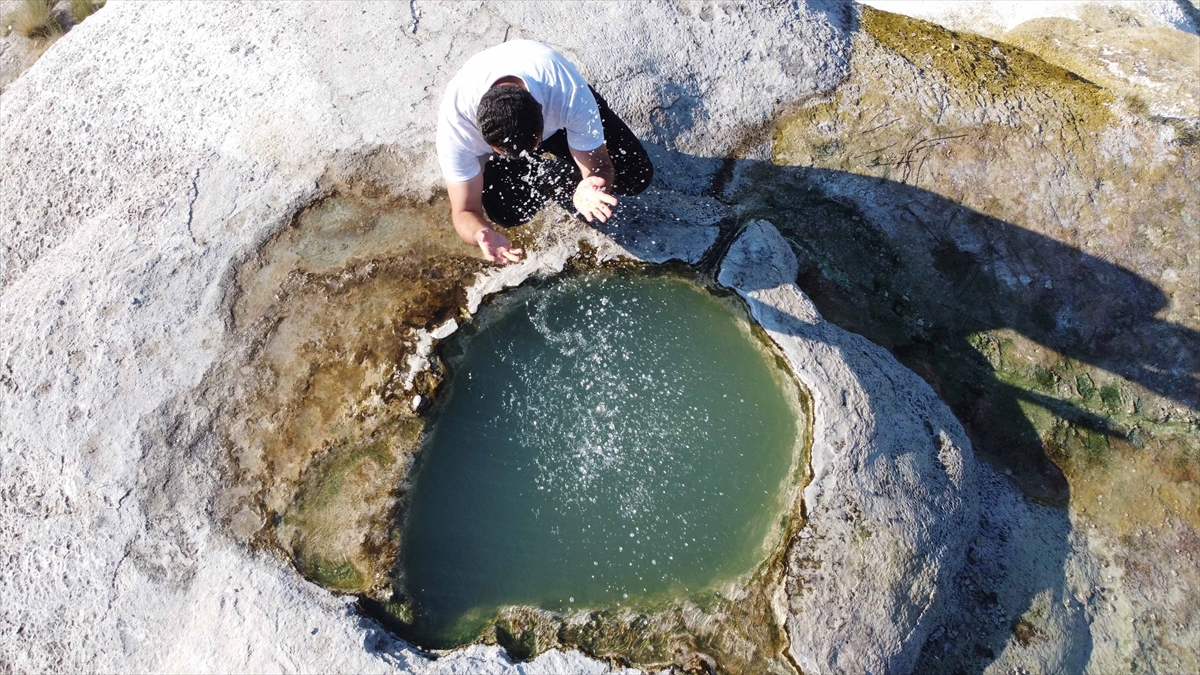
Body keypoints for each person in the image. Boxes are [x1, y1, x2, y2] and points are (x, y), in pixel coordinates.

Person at [436, 40, 654, 265]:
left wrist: (592, 183)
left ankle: (570, 179)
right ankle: (550, 179)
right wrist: (480, 234)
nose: (531, 151)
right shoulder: (457, 126)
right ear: (483, 136)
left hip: (556, 111)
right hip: (511, 129)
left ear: (542, 112)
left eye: (535, 144)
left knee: (634, 175)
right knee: (507, 213)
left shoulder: (567, 93)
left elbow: (600, 166)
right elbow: (464, 211)